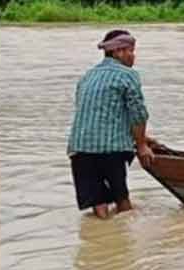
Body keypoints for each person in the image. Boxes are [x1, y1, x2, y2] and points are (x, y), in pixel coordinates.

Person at [67, 29, 156, 219]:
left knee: (99, 207)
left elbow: (95, 113)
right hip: (109, 150)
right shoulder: (127, 75)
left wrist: (142, 137)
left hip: (80, 148)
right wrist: (141, 145)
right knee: (122, 200)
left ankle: (103, 240)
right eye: (130, 50)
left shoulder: (87, 76)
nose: (133, 56)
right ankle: (124, 240)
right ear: (118, 52)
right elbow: (138, 114)